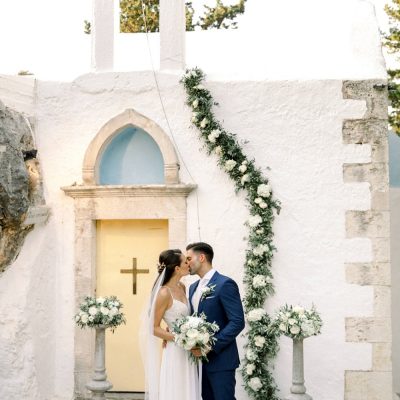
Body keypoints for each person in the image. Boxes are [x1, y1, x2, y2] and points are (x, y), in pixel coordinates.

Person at [187, 242, 245, 400]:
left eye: (189, 258)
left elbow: (237, 321)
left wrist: (210, 345)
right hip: (199, 363)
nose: (187, 263)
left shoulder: (225, 284)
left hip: (222, 361)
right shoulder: (192, 287)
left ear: (202, 257)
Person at [141, 249, 200, 400]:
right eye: (185, 261)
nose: (189, 264)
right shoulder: (163, 293)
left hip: (188, 348)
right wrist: (179, 337)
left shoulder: (182, 287)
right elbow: (153, 327)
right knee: (177, 388)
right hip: (175, 349)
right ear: (177, 268)